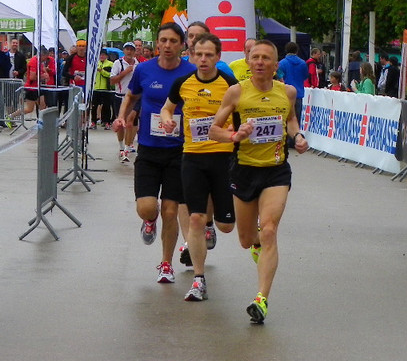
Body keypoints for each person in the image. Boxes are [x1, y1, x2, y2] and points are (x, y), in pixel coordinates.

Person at [208, 38, 309, 324]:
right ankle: (255, 245)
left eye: (266, 58)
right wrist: (234, 135)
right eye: (256, 57)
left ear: (276, 65)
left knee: (269, 229)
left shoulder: (287, 92)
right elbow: (214, 130)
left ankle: (261, 299)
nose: (260, 62)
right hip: (244, 170)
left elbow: (291, 120)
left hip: (276, 170)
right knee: (246, 239)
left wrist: (298, 136)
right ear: (248, 62)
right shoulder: (236, 92)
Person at [112, 22, 195, 285]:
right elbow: (130, 96)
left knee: (171, 211)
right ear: (157, 43)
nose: (168, 45)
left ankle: (166, 264)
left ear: (182, 45)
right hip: (148, 149)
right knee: (148, 207)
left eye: (173, 41)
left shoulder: (191, 72)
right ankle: (149, 219)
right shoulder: (144, 69)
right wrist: (122, 116)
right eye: (163, 40)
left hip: (178, 151)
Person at [158, 32, 237, 301]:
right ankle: (199, 280)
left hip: (223, 158)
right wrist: (167, 119)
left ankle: (215, 223)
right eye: (198, 54)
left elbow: (241, 115)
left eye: (209, 55)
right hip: (192, 157)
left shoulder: (230, 84)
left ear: (218, 56)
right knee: (194, 217)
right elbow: (167, 108)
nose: (203, 59)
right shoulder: (182, 83)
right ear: (192, 55)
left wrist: (233, 134)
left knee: (227, 225)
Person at [109, 41, 139, 162]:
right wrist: (125, 73)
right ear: (124, 50)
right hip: (120, 96)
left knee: (131, 123)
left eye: (131, 49)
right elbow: (112, 81)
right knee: (121, 124)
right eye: (127, 49)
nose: (129, 52)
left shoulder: (138, 64)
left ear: (134, 51)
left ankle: (127, 148)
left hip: (133, 98)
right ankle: (121, 146)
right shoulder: (118, 63)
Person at [277, 41, 309, 122]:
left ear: (286, 50)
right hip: (298, 94)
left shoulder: (281, 63)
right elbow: (305, 76)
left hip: (285, 94)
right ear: (297, 50)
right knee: (296, 120)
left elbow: (279, 78)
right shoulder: (303, 63)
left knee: (285, 120)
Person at [90, 49, 114, 128]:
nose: (102, 56)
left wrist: (102, 71)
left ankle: (107, 122)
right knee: (94, 106)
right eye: (100, 55)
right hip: (96, 88)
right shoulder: (95, 63)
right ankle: (93, 122)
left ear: (107, 56)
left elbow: (110, 75)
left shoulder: (110, 64)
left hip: (106, 88)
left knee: (106, 106)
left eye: (103, 55)